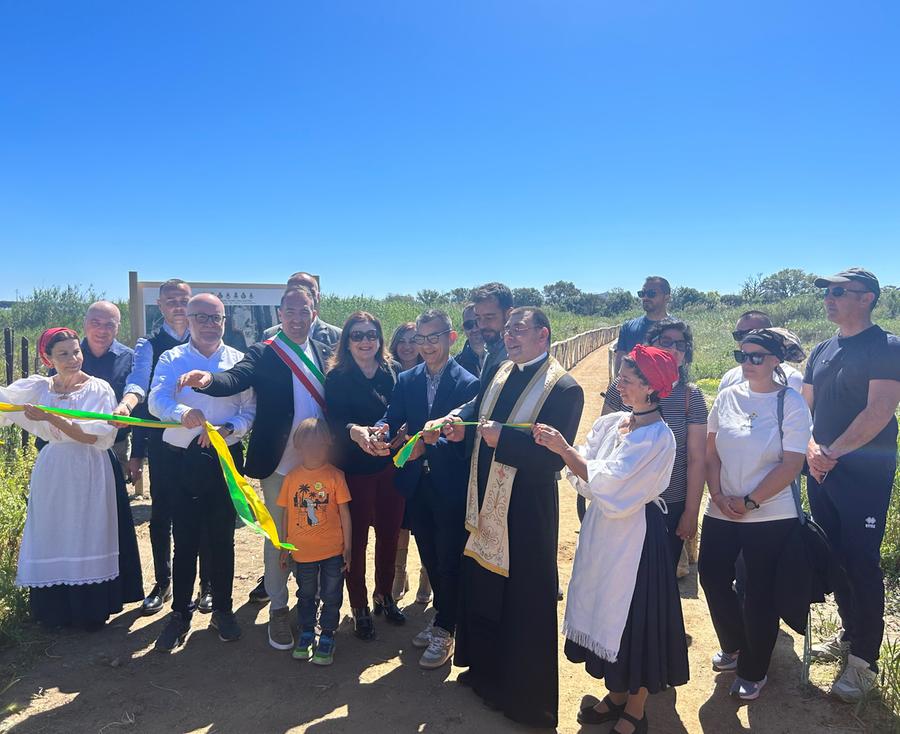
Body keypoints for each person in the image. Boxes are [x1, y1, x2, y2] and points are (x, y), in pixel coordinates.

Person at [428, 306, 584, 728]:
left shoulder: (565, 388)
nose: (510, 336)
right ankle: (484, 675)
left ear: (543, 335)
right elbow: (478, 412)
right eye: (508, 329)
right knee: (484, 586)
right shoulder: (499, 371)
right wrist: (463, 427)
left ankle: (524, 698)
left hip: (527, 511)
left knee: (523, 599)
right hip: (485, 501)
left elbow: (553, 460)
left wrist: (502, 443)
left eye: (520, 329)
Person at [536, 345, 687, 734]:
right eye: (620, 376)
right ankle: (617, 694)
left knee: (635, 617)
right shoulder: (615, 422)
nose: (619, 383)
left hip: (637, 538)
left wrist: (564, 449)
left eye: (627, 379)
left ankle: (636, 706)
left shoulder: (657, 437)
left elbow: (610, 481)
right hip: (605, 530)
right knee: (606, 607)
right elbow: (589, 470)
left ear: (652, 388)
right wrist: (573, 456)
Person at [177, 285, 333, 652]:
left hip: (319, 461)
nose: (297, 319)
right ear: (280, 314)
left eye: (304, 311)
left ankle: (308, 604)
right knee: (278, 536)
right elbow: (237, 377)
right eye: (290, 311)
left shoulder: (324, 353)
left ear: (314, 314)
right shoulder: (265, 352)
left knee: (315, 532)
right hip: (279, 462)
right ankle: (278, 608)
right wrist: (210, 380)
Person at [0, 328, 143, 628]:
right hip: (53, 468)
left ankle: (88, 610)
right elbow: (4, 402)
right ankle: (54, 610)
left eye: (76, 351)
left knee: (86, 530)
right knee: (54, 529)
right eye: (63, 354)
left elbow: (94, 436)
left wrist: (51, 417)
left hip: (88, 467)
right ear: (48, 358)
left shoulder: (98, 388)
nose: (72, 359)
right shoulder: (39, 388)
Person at [803, 268, 900, 702]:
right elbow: (804, 409)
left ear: (868, 298)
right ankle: (847, 634)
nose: (830, 298)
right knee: (834, 556)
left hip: (861, 476)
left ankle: (864, 662)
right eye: (827, 291)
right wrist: (810, 448)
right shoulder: (822, 349)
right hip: (821, 471)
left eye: (840, 292)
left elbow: (878, 412)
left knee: (861, 562)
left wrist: (831, 453)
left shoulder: (886, 348)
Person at [699, 328, 811, 701]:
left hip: (769, 514)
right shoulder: (726, 397)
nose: (747, 363)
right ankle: (735, 643)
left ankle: (753, 669)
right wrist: (717, 494)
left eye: (755, 356)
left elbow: (791, 464)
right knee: (712, 576)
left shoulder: (790, 403)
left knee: (759, 591)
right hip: (721, 507)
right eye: (741, 355)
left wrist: (749, 501)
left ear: (776, 360)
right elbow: (711, 453)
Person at [367, 310, 479, 668]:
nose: (427, 346)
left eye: (434, 338)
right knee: (429, 554)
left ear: (452, 338)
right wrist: (382, 429)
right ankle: (444, 616)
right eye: (421, 339)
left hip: (450, 483)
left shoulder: (469, 383)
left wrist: (428, 446)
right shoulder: (408, 379)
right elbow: (394, 415)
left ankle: (446, 627)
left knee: (449, 557)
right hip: (416, 481)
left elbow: (467, 440)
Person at [149, 294, 256, 651]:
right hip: (180, 459)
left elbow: (249, 410)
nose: (210, 324)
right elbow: (156, 400)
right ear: (189, 319)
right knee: (185, 540)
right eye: (203, 317)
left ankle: (223, 610)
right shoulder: (172, 358)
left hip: (224, 458)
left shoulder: (238, 361)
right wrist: (181, 413)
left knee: (222, 538)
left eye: (217, 318)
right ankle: (180, 614)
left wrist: (229, 430)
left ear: (225, 321)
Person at [111, 279, 210, 616]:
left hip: (206, 440)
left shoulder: (209, 339)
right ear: (160, 305)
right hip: (164, 444)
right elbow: (139, 384)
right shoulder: (149, 344)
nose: (178, 306)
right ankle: (163, 583)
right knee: (162, 514)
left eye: (184, 300)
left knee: (207, 512)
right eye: (171, 301)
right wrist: (127, 408)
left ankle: (207, 585)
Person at [601, 318, 708, 570]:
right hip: (623, 501)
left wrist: (691, 512)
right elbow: (604, 442)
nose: (674, 349)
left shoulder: (690, 396)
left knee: (659, 580)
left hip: (669, 504)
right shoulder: (621, 389)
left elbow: (696, 458)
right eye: (666, 342)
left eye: (681, 345)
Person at [324, 311, 406, 639]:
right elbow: (335, 422)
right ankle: (358, 605)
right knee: (355, 540)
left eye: (371, 334)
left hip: (390, 465)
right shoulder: (337, 377)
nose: (365, 341)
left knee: (389, 534)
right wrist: (357, 433)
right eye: (357, 335)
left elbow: (402, 413)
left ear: (380, 339)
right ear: (347, 341)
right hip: (354, 469)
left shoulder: (393, 372)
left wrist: (398, 436)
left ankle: (383, 595)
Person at [277, 418, 352, 666]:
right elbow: (286, 513)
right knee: (306, 594)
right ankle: (307, 632)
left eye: (319, 445)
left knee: (332, 595)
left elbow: (344, 514)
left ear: (327, 445)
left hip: (333, 550)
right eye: (308, 445)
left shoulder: (335, 476)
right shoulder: (291, 478)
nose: (314, 450)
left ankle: (328, 634)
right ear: (298, 446)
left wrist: (348, 549)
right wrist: (284, 547)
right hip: (302, 552)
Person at [387, 322, 431, 604]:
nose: (407, 346)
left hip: (428, 458)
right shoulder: (388, 372)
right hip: (397, 460)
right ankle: (398, 575)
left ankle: (427, 579)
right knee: (400, 523)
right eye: (401, 340)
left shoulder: (431, 373)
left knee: (427, 523)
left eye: (413, 340)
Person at [719, 311, 804, 392]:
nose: (745, 339)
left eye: (752, 333)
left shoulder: (792, 378)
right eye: (739, 335)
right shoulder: (729, 378)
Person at [263, 272, 342, 346]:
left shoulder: (337, 336)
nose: (302, 294)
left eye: (310, 292)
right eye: (295, 290)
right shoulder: (270, 335)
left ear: (318, 297)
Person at [614, 276, 672, 373]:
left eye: (651, 294)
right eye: (642, 293)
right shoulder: (627, 328)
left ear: (667, 297)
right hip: (633, 388)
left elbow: (682, 367)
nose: (645, 297)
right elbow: (620, 364)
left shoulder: (679, 329)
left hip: (668, 388)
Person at [471, 282, 514, 380]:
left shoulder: (516, 356)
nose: (481, 325)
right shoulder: (492, 348)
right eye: (478, 318)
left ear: (509, 315)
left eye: (489, 317)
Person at [455, 304, 485, 378]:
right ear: (463, 328)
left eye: (478, 322)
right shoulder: (456, 364)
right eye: (469, 325)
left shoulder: (504, 357)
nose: (474, 329)